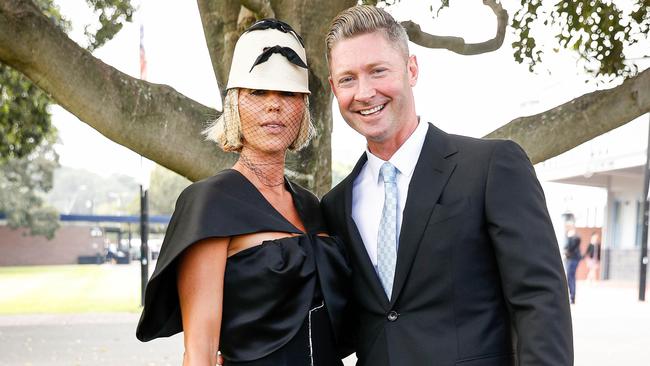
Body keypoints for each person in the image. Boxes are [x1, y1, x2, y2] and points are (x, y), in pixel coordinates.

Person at [320, 5, 573, 366]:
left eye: (378, 71)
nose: (364, 92)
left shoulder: (491, 167)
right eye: (347, 79)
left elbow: (541, 303)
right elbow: (341, 325)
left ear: (411, 69)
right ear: (333, 87)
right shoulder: (335, 206)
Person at [136, 19, 350, 366]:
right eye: (257, 93)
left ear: (303, 107)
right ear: (234, 104)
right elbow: (200, 351)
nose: (274, 106)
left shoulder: (314, 207)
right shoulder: (210, 204)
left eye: (289, 94)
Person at [564, 221, 582, 303]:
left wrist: (566, 251)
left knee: (570, 277)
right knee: (570, 277)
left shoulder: (574, 236)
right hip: (570, 259)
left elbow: (570, 247)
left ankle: (572, 296)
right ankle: (571, 295)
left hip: (573, 259)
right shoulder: (570, 236)